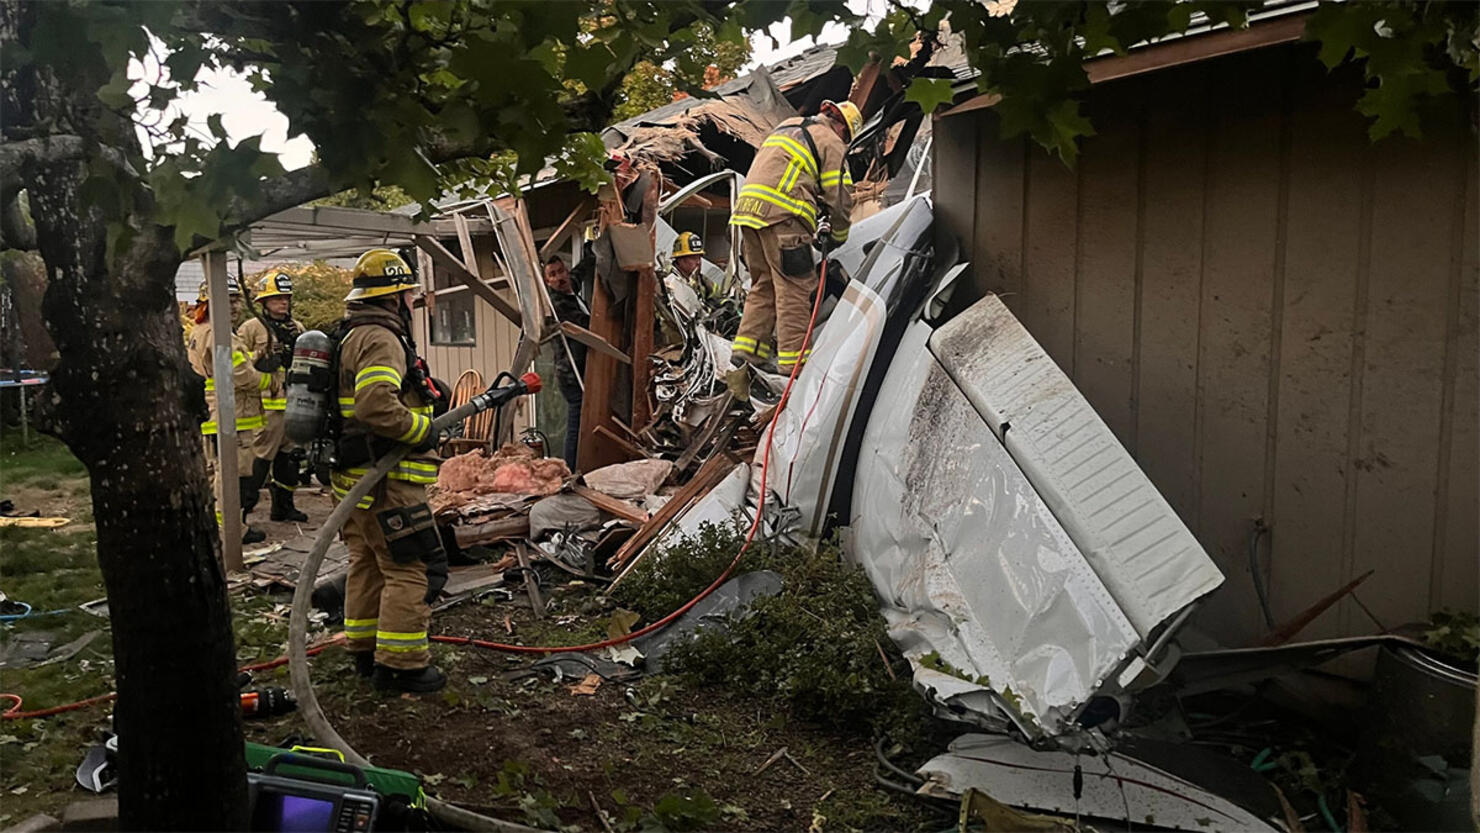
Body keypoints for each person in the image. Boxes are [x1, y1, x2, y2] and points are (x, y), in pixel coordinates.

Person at [333, 248, 449, 693]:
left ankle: (365, 652)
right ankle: (402, 666)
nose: (410, 304)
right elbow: (377, 405)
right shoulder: (381, 338)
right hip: (387, 478)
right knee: (408, 566)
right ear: (395, 296)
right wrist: (422, 429)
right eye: (408, 295)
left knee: (367, 562)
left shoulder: (351, 333)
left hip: (355, 477)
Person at [729, 99, 860, 374]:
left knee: (763, 283)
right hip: (784, 217)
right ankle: (794, 367)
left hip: (748, 212)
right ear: (844, 130)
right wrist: (838, 234)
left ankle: (745, 355)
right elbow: (838, 197)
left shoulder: (786, 127)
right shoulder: (832, 142)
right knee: (796, 289)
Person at [186, 277, 268, 545]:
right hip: (232, 414)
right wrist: (272, 380)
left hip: (210, 411)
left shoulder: (199, 331)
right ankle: (233, 531)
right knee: (232, 474)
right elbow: (240, 375)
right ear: (209, 304)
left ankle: (210, 524)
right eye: (227, 300)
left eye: (235, 300)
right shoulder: (220, 334)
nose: (233, 306)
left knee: (214, 472)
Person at [239, 270, 308, 522]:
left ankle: (283, 507)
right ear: (263, 302)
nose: (283, 302)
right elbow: (239, 364)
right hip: (266, 407)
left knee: (289, 459)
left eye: (286, 298)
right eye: (277, 298)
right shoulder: (251, 328)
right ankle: (243, 513)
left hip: (293, 403)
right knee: (259, 461)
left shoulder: (297, 327)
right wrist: (263, 357)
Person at [543, 255, 588, 471]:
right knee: (576, 423)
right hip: (571, 373)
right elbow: (586, 324)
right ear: (547, 281)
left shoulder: (571, 288)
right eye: (553, 275)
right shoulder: (557, 304)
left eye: (561, 271)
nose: (559, 278)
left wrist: (593, 247)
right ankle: (571, 467)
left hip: (581, 369)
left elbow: (580, 271)